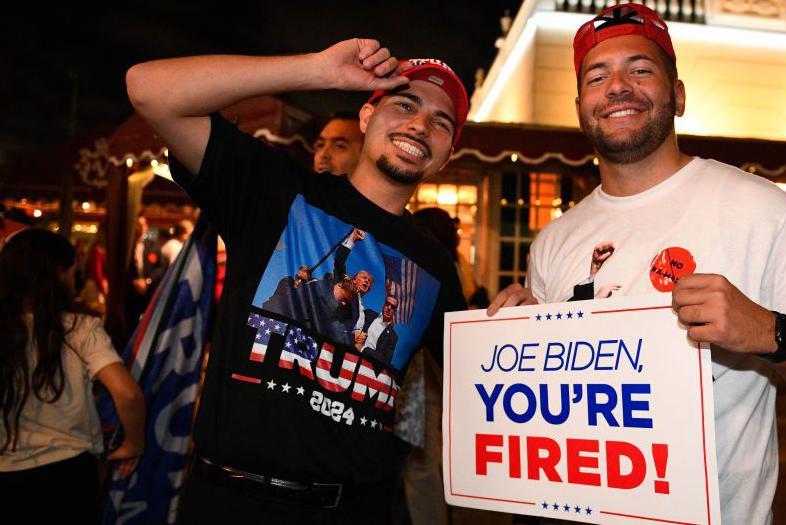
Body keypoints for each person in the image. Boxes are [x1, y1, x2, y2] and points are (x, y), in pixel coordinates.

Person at [488, 4, 786, 524]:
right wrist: (526, 341)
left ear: (677, 95)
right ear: (581, 104)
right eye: (597, 75)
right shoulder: (556, 241)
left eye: (641, 69)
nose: (618, 86)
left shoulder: (764, 211)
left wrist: (768, 331)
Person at [126, 40, 468, 523]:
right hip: (230, 501)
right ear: (367, 117)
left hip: (357, 507)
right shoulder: (277, 191)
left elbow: (476, 371)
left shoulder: (432, 264)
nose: (420, 124)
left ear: (446, 157)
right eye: (405, 104)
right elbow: (149, 89)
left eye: (441, 122)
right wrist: (316, 69)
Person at [0, 229, 145, 524]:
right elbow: (127, 393)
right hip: (68, 473)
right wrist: (134, 444)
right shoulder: (80, 329)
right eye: (72, 270)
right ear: (59, 274)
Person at [356, 295, 399, 367]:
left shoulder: (393, 336)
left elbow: (386, 360)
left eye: (393, 307)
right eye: (387, 304)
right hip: (351, 356)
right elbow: (353, 329)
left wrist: (364, 349)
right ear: (383, 304)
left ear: (395, 311)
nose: (389, 308)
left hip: (368, 367)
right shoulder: (368, 314)